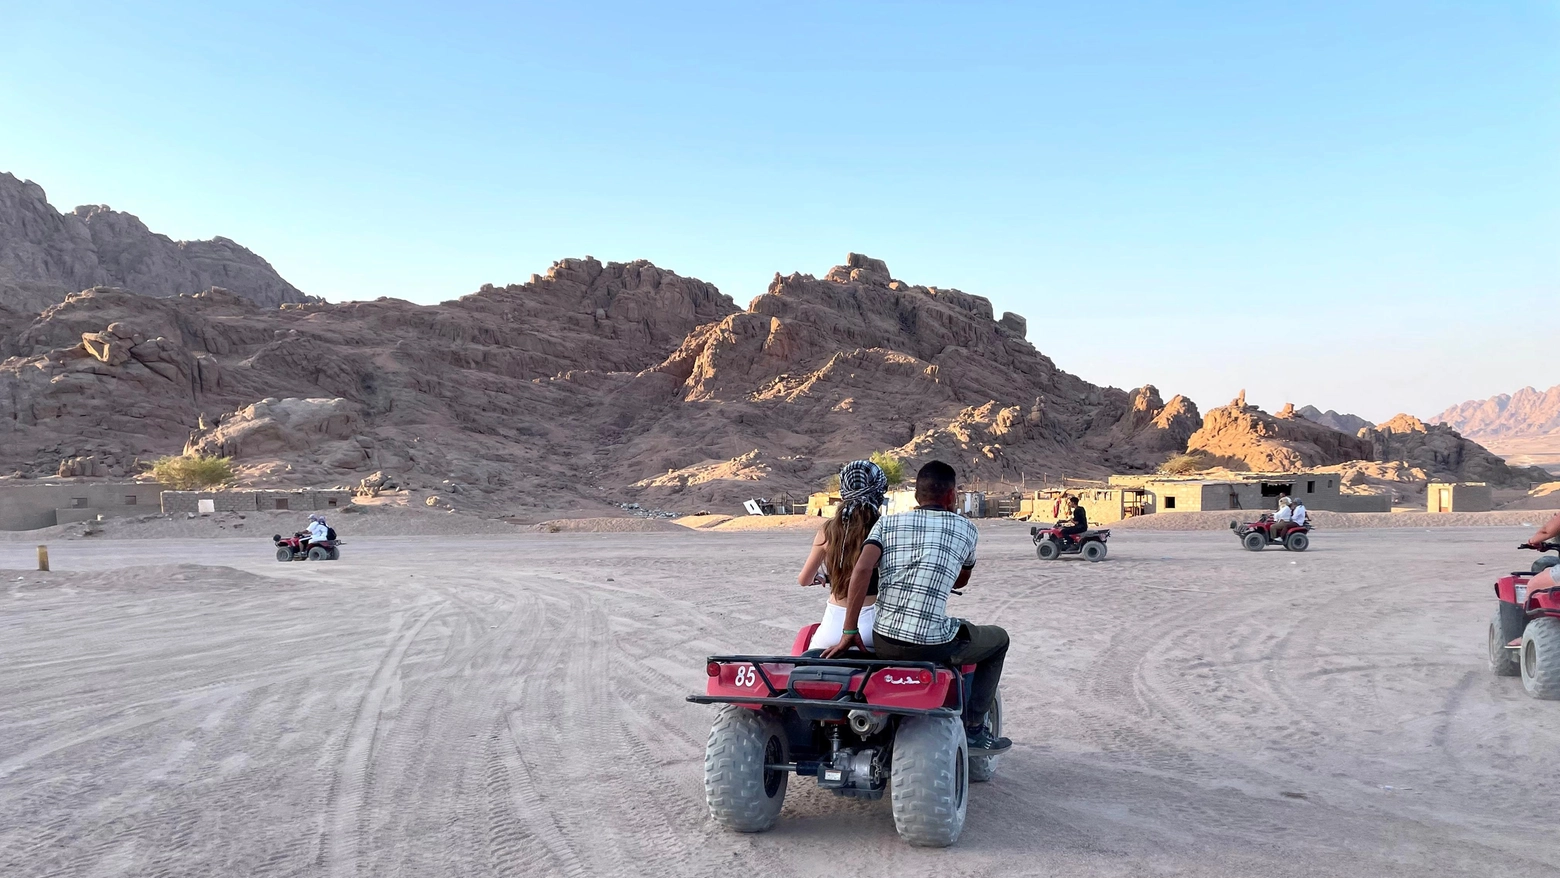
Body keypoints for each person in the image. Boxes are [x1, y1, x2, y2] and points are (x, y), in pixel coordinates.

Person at [824, 460, 1012, 753]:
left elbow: (861, 571)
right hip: (931, 645)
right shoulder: (966, 528)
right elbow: (960, 581)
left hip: (885, 641)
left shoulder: (886, 523)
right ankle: (975, 727)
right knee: (998, 639)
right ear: (952, 496)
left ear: (915, 495)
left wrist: (849, 630)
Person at [797, 460, 887, 651]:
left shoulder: (828, 530)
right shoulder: (885, 528)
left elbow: (804, 579)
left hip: (833, 624)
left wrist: (824, 577)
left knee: (807, 664)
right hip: (874, 625)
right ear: (879, 489)